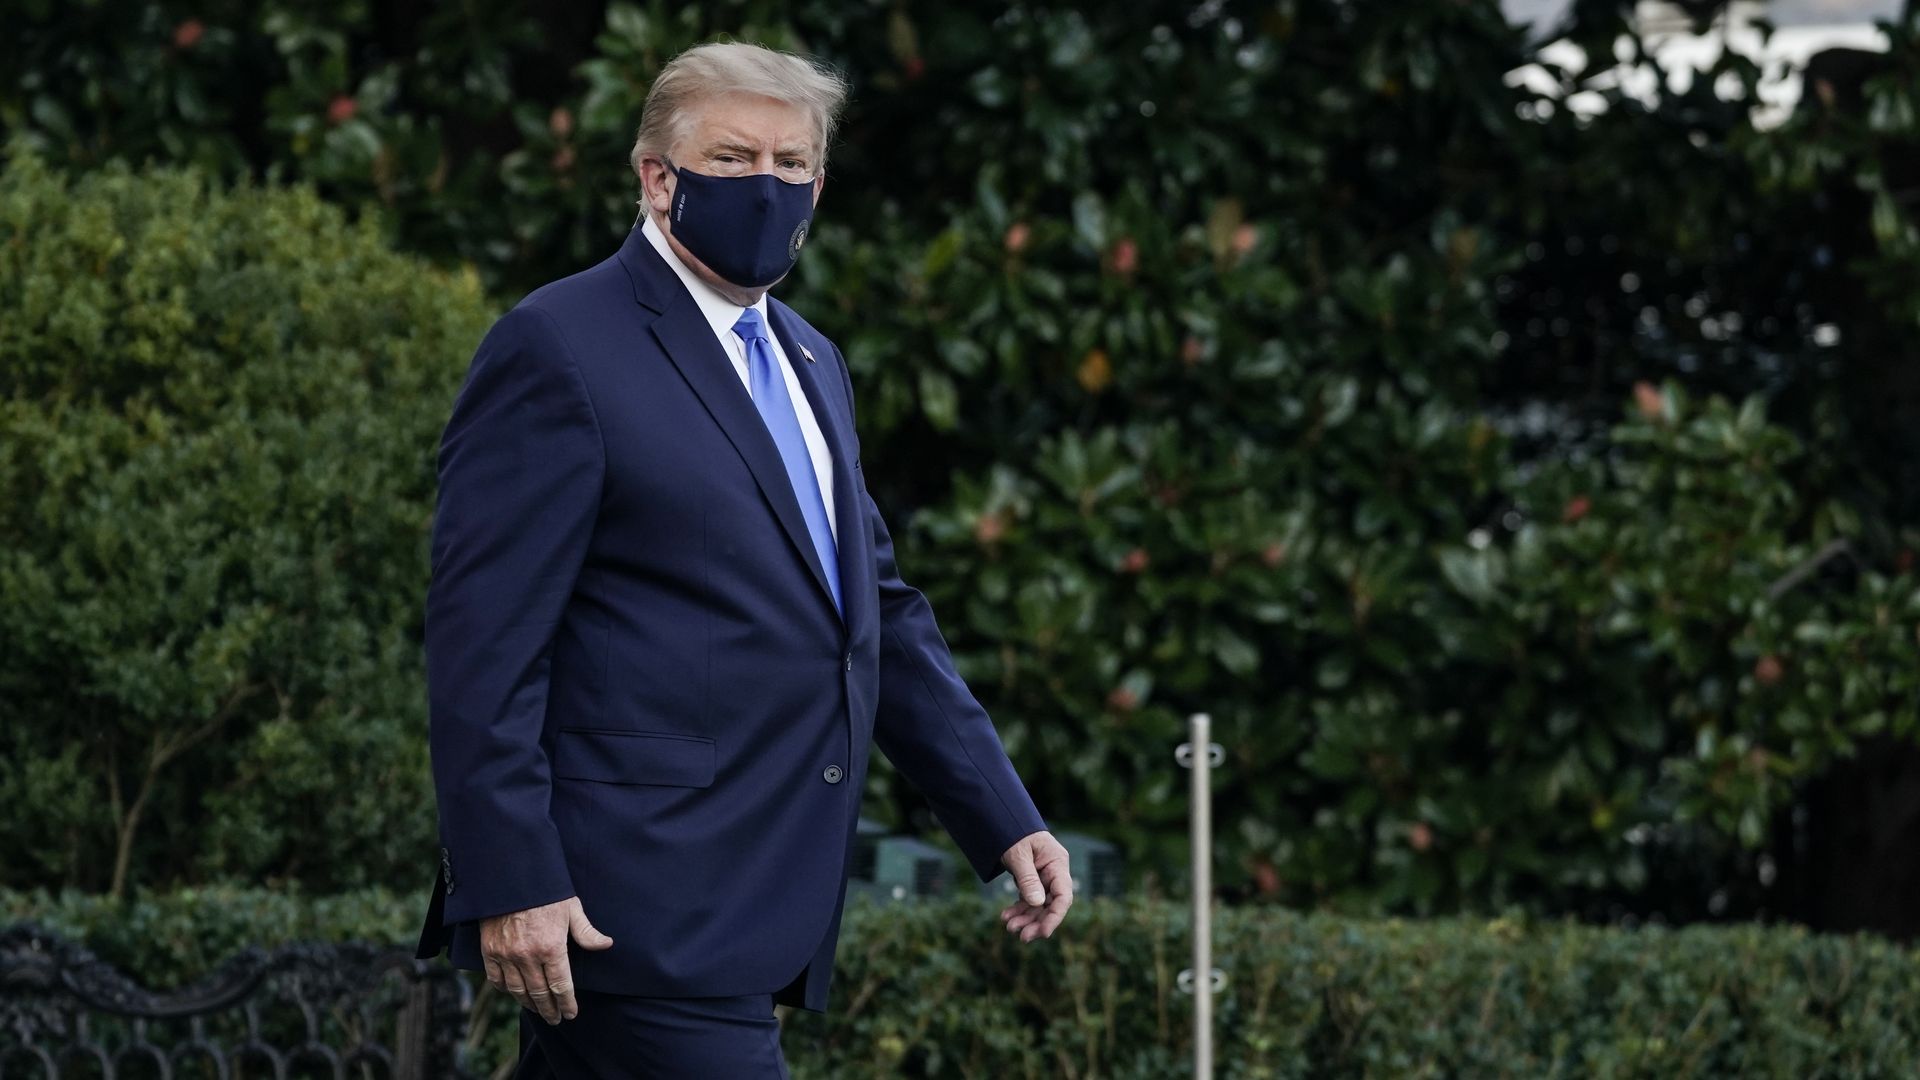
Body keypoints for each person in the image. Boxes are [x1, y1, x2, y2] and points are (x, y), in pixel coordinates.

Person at [412, 41, 1073, 1076]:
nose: (766, 186)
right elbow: (481, 644)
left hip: (756, 898)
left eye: (792, 162)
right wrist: (508, 876)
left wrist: (1000, 813)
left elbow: (873, 613)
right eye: (731, 159)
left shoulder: (814, 361)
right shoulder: (558, 345)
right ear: (655, 174)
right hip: (628, 904)